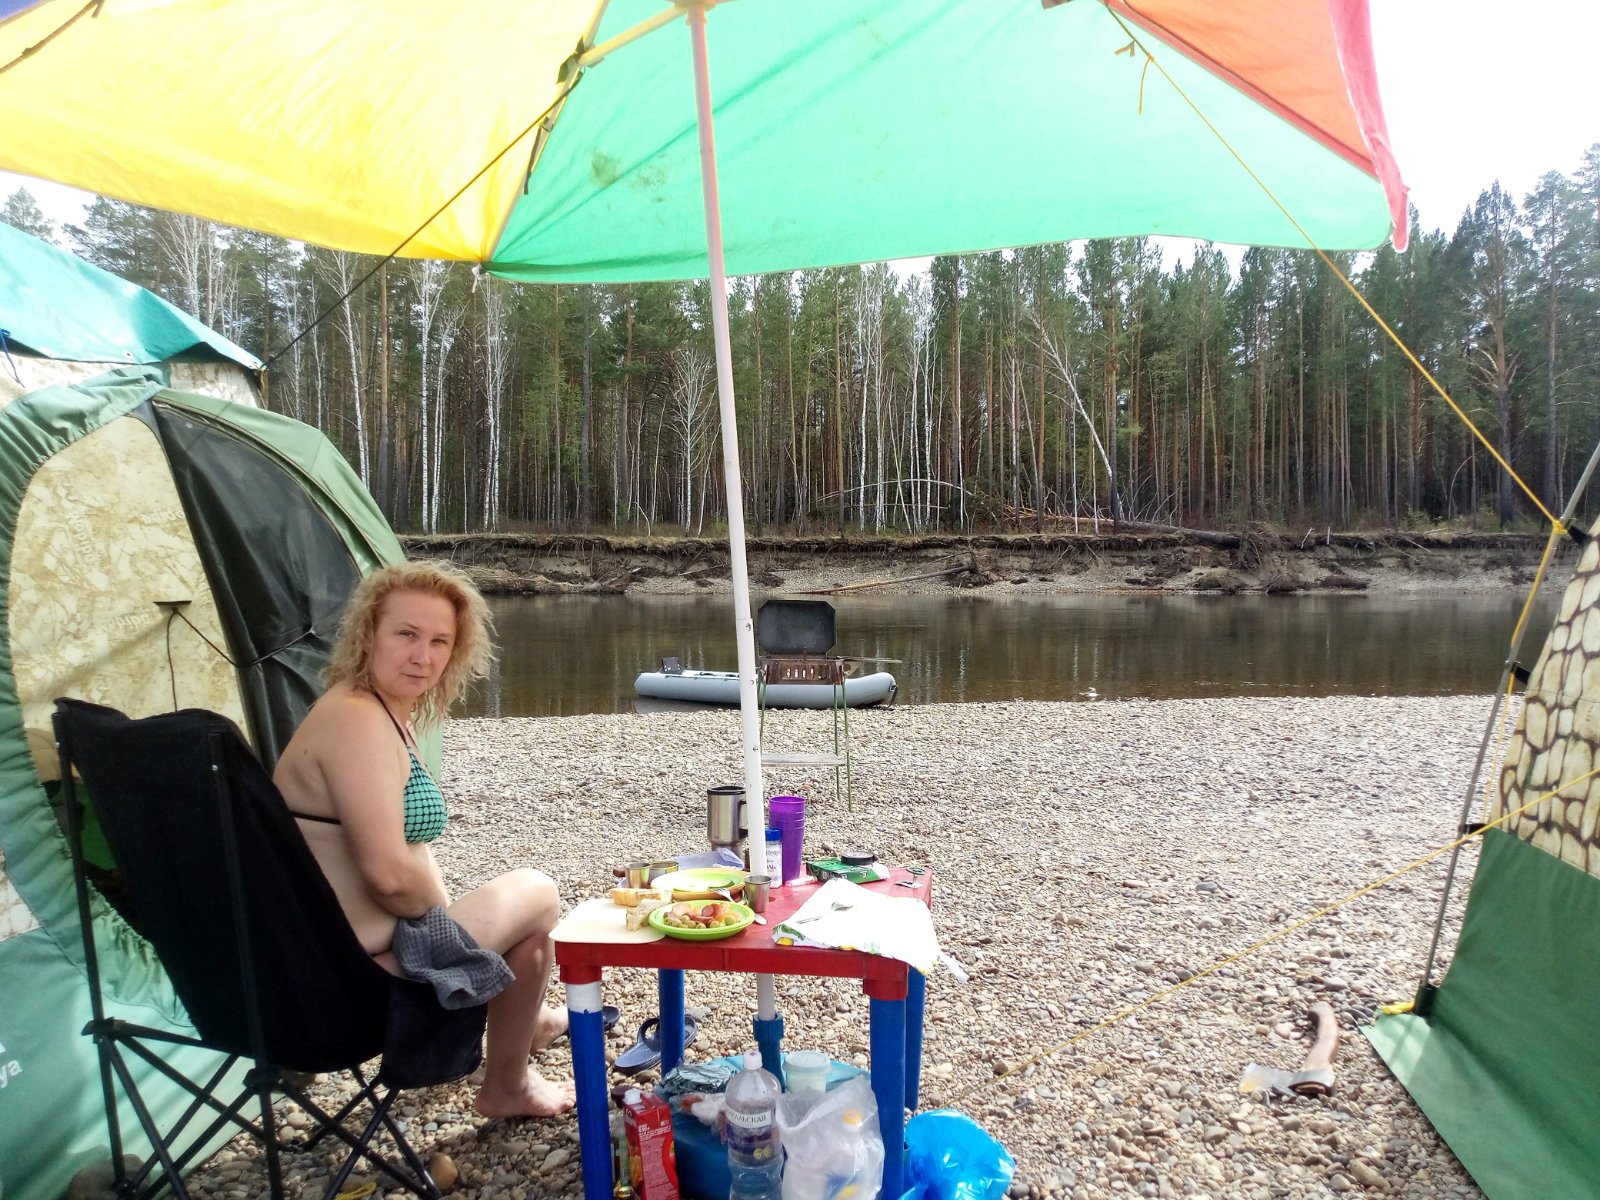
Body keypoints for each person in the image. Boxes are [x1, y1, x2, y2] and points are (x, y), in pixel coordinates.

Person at [274, 560, 575, 1119]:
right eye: (406, 634)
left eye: (440, 641)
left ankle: (516, 1063)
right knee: (537, 890)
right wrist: (445, 917)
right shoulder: (356, 719)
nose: (423, 656)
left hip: (352, 955)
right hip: (356, 978)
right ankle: (517, 1057)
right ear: (368, 634)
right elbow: (389, 876)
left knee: (531, 938)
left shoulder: (384, 710)